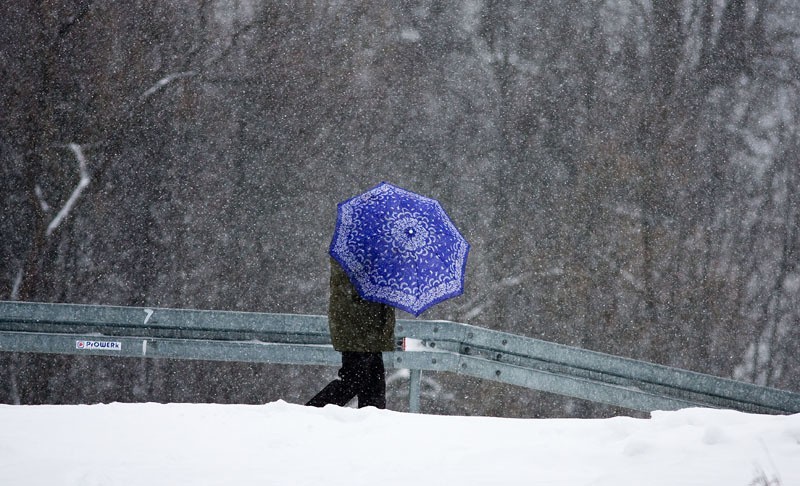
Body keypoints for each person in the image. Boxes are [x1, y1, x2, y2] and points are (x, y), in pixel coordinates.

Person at [306, 258, 396, 409]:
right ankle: (310, 413)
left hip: (370, 328)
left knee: (373, 387)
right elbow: (353, 289)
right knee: (353, 380)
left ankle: (372, 426)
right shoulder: (358, 252)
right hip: (359, 328)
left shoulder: (373, 251)